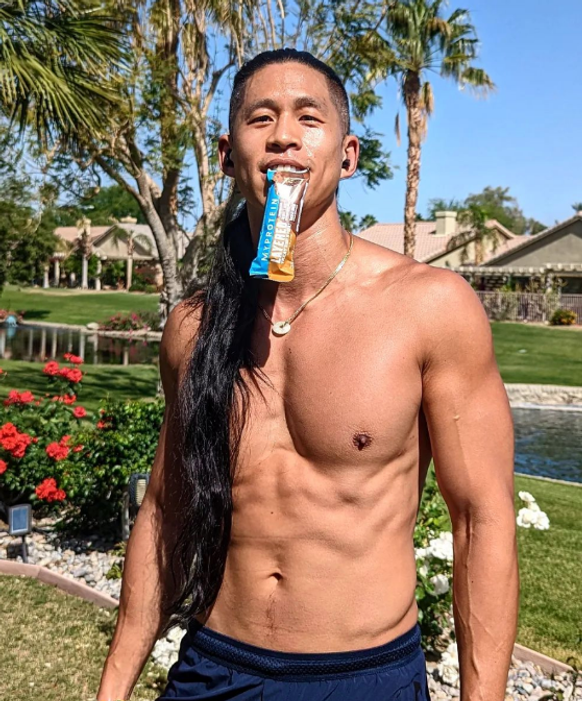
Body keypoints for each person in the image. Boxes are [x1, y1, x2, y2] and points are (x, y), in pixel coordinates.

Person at [96, 49, 518, 701]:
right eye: (260, 118)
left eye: (307, 118)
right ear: (226, 152)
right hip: (214, 665)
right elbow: (164, 510)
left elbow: (480, 518)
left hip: (360, 676)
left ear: (347, 155)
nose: (284, 135)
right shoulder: (195, 325)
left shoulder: (428, 306)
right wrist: (113, 687)